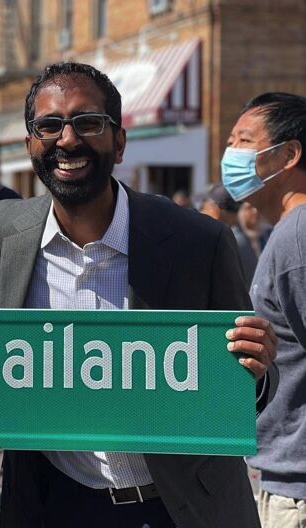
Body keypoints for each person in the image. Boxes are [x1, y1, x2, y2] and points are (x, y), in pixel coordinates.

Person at [0, 62, 277, 528]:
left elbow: (247, 383)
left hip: (179, 507)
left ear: (118, 141)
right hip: (54, 505)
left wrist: (255, 368)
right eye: (49, 126)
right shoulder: (0, 233)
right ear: (31, 144)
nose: (68, 140)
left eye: (88, 123)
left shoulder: (200, 241)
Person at [222, 92, 306, 528]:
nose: (230, 154)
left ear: (289, 154)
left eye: (243, 141)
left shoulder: (298, 236)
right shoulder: (287, 231)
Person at [200, 183, 259, 286]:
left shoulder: (226, 242)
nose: (201, 212)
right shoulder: (240, 237)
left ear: (216, 210)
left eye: (204, 208)